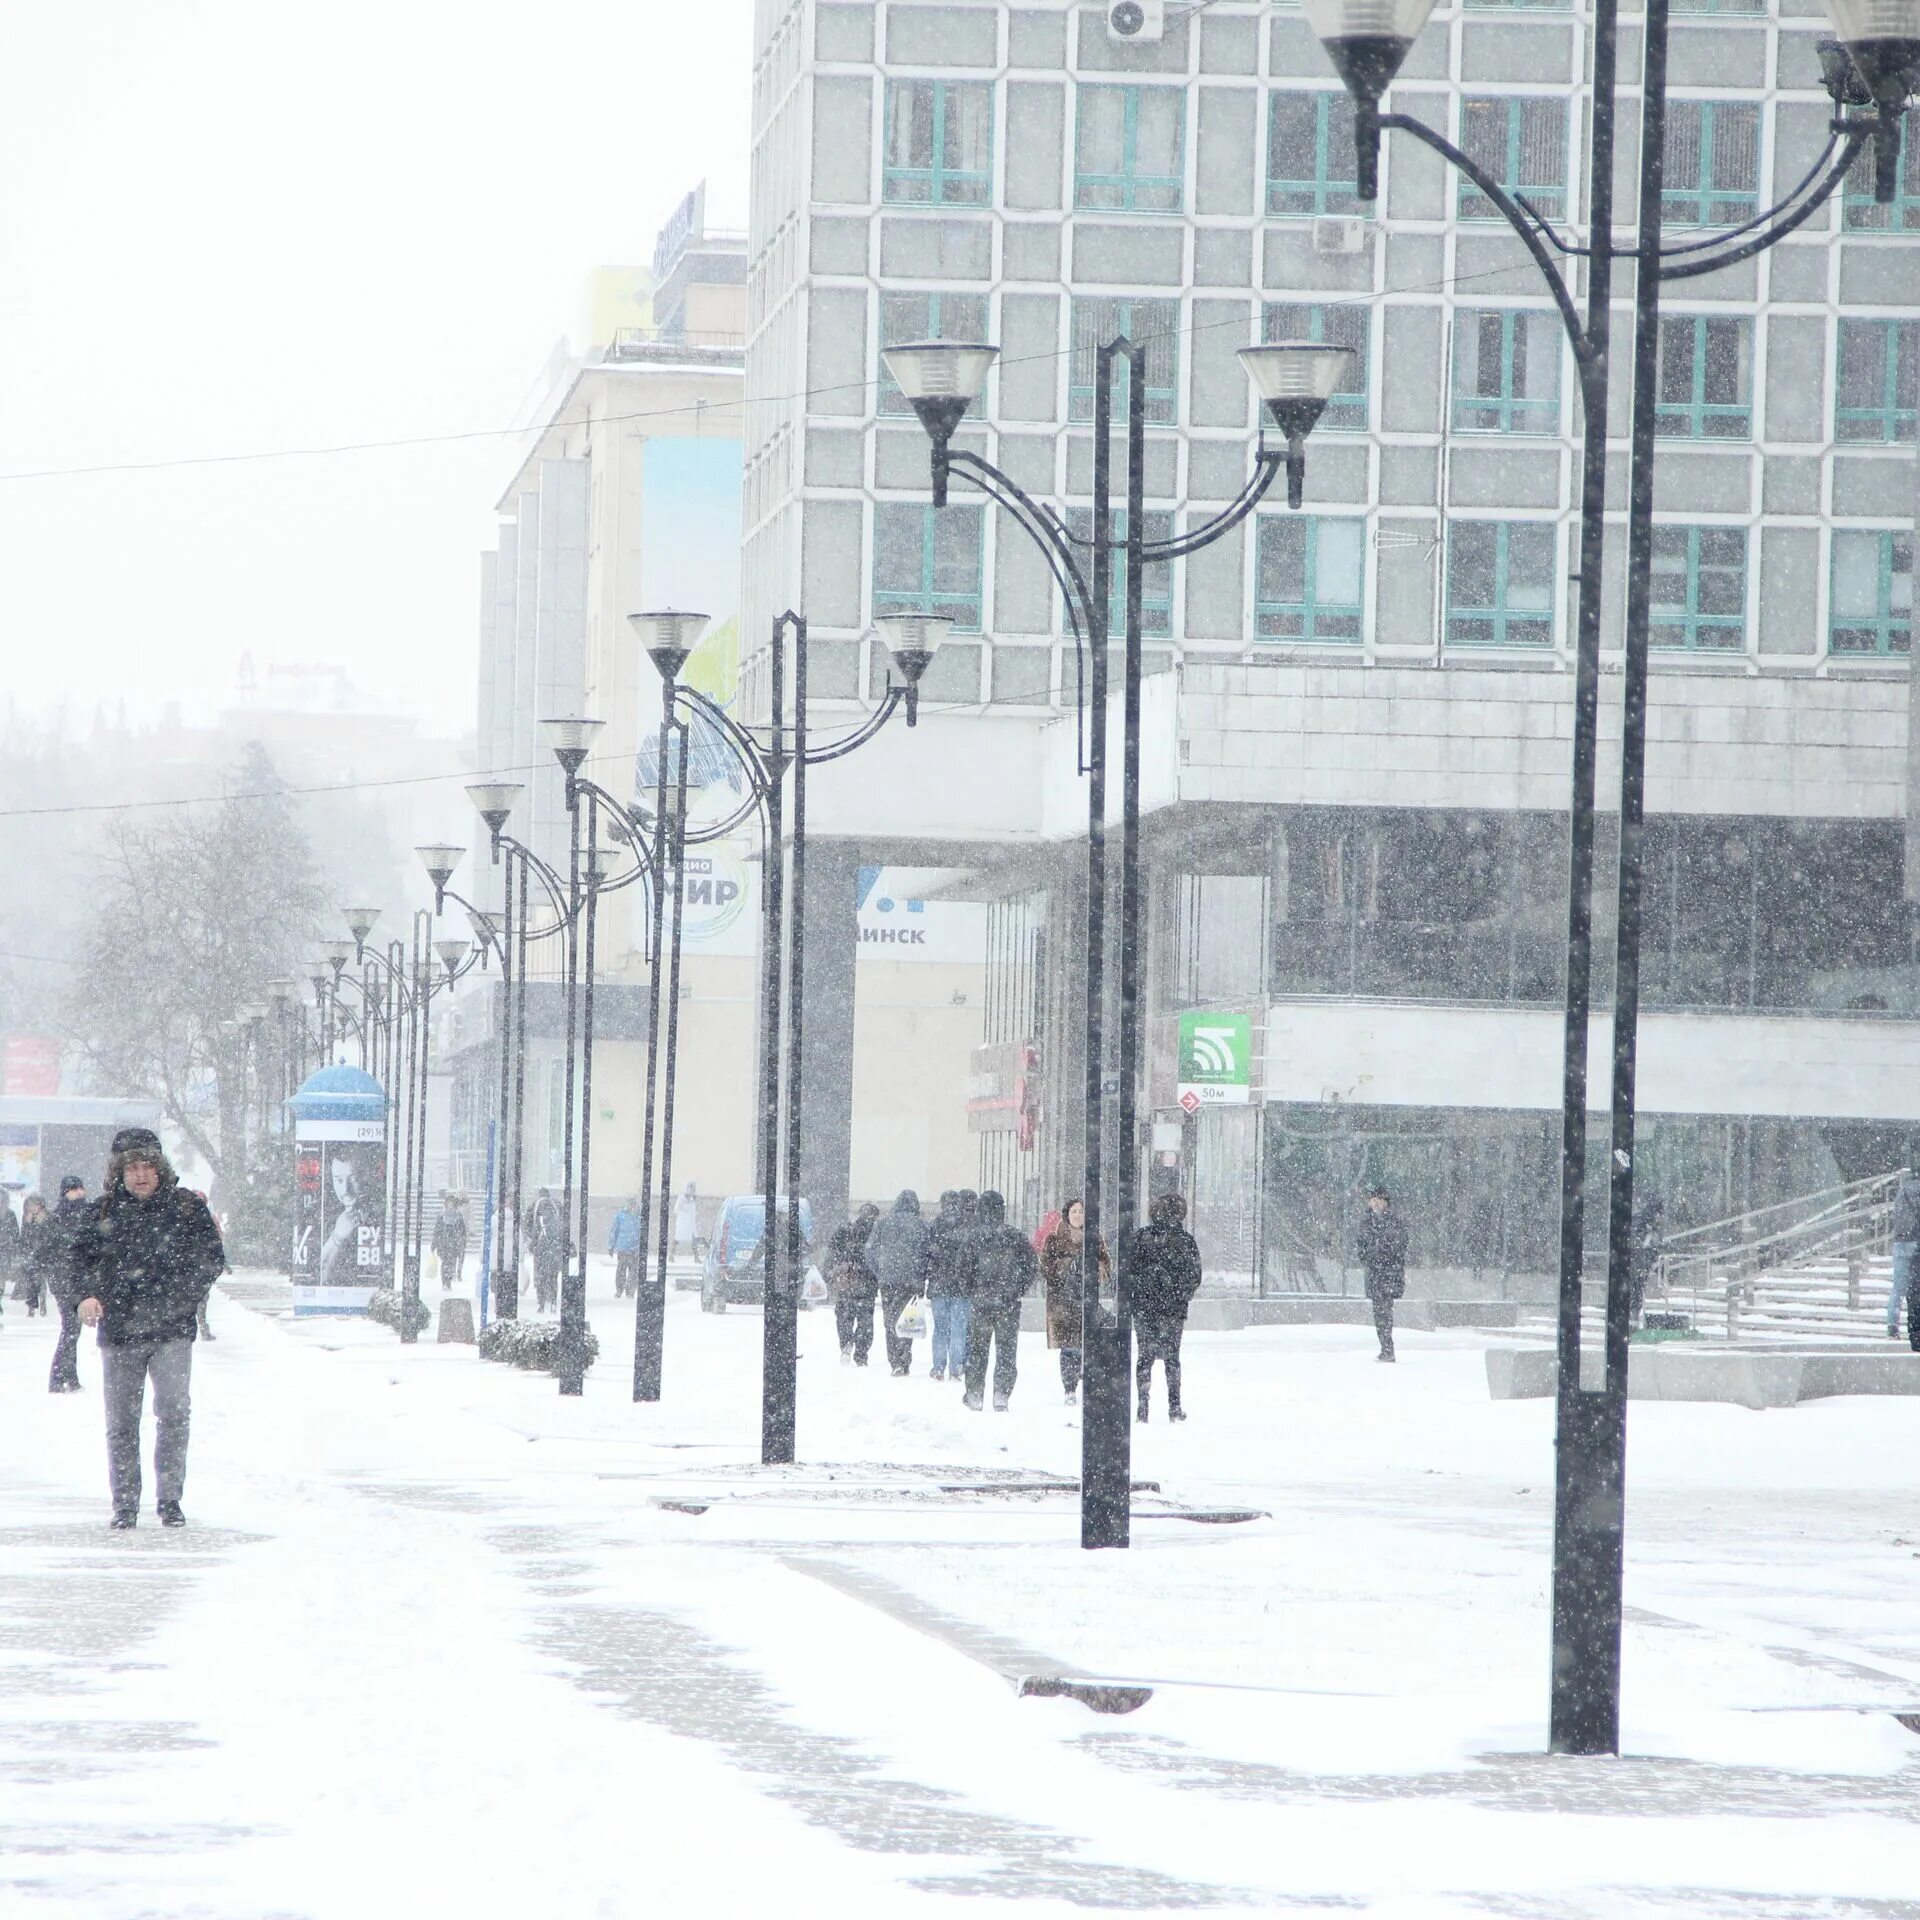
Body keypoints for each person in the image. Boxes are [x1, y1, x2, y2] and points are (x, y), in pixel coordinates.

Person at [72, 1128, 226, 1529]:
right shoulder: (101, 1214)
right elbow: (79, 1262)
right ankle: (124, 1503)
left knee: (174, 1414)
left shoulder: (186, 1209)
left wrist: (181, 1298)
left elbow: (210, 1258)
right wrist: (85, 1296)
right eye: (132, 1167)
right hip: (119, 1332)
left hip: (171, 1331)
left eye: (147, 1166)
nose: (141, 1175)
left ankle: (170, 1499)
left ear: (161, 1169)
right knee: (121, 1422)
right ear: (118, 1173)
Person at [1130, 1191, 1204, 1422]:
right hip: (1173, 1308)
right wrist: (1180, 1295)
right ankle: (1174, 1405)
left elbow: (1129, 1271)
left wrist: (1140, 1295)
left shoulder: (1141, 1237)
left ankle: (1143, 1405)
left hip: (1144, 1307)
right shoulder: (1185, 1240)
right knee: (1172, 1357)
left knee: (1145, 1356)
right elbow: (1195, 1275)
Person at [962, 1190, 1036, 1412]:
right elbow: (1031, 1265)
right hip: (1008, 1302)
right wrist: (1017, 1289)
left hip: (981, 1301)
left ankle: (975, 1393)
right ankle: (1001, 1393)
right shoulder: (1015, 1236)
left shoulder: (973, 1237)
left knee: (977, 1349)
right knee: (1006, 1349)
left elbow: (963, 1268)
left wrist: (972, 1289)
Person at [1040, 1199, 1108, 1406]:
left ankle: (1088, 1384)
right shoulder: (1054, 1239)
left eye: (1081, 1211)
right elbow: (1045, 1267)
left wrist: (1093, 1269)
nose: (1077, 1215)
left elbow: (1106, 1264)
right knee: (1069, 1348)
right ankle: (1069, 1388)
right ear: (1066, 1214)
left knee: (1088, 1346)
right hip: (1063, 1302)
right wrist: (1066, 1266)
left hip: (1087, 1301)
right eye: (1074, 1211)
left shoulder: (1095, 1238)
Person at [866, 1189, 929, 1377]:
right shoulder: (921, 1226)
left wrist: (880, 1271)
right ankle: (904, 1356)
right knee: (908, 1318)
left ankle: (894, 1360)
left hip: (888, 1280)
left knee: (890, 1319)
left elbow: (870, 1251)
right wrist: (921, 1273)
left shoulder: (883, 1224)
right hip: (912, 1280)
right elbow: (928, 1252)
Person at [40, 1176, 91, 1392]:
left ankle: (70, 1377)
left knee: (73, 1329)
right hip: (64, 1281)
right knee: (71, 1328)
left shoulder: (87, 1213)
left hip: (79, 1281)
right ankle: (57, 1377)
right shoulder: (58, 1218)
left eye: (80, 1188)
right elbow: (47, 1249)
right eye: (73, 1189)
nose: (79, 1192)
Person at [923, 1190, 974, 1384]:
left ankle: (938, 1367)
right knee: (959, 1328)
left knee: (940, 1328)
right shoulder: (967, 1226)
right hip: (960, 1287)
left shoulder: (935, 1225)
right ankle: (955, 1369)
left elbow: (928, 1254)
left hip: (939, 1285)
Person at [1355, 1185, 1410, 1362]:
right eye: (1373, 1200)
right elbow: (1361, 1246)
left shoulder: (1395, 1221)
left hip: (1389, 1273)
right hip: (1375, 1273)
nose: (1376, 1204)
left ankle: (1387, 1347)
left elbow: (1398, 1245)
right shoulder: (1366, 1222)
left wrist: (1380, 1252)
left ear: (1386, 1202)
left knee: (1384, 1310)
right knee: (1379, 1311)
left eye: (1379, 1200)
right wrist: (1369, 1256)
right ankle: (1386, 1346)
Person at [825, 1203, 880, 1365]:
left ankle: (846, 1342)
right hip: (868, 1282)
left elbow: (832, 1252)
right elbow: (879, 1257)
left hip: (847, 1281)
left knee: (844, 1315)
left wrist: (830, 1272)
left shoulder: (846, 1230)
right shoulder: (876, 1233)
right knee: (865, 1319)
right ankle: (861, 1353)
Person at [1890, 1168, 1920, 1340]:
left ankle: (1892, 1325)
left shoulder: (1902, 1193)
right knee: (1916, 1287)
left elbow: (1897, 1217)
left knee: (1898, 1288)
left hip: (1900, 1241)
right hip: (1915, 1240)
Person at [1629, 1190, 1665, 1328]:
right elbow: (1644, 1246)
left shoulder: (1645, 1223)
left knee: (1636, 1294)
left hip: (1639, 1266)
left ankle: (1633, 1322)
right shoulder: (1645, 1224)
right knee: (1636, 1294)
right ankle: (1632, 1323)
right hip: (1638, 1266)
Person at [526, 1188, 564, 1313]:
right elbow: (564, 1224)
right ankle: (553, 1301)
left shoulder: (534, 1206)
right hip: (555, 1247)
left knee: (540, 1276)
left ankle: (541, 1302)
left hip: (540, 1248)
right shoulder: (557, 1205)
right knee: (553, 1276)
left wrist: (533, 1238)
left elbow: (527, 1224)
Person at [14, 1193, 50, 1315]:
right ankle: (31, 1306)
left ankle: (43, 1301)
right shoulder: (26, 1217)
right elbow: (23, 1236)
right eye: (30, 1205)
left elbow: (49, 1236)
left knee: (41, 1279)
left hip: (43, 1253)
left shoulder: (47, 1217)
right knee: (30, 1280)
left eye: (35, 1204)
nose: (32, 1207)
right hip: (29, 1253)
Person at [431, 1192, 468, 1291]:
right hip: (443, 1243)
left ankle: (449, 1281)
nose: (450, 1204)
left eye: (452, 1202)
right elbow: (437, 1230)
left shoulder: (458, 1216)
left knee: (451, 1263)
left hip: (454, 1243)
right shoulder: (441, 1216)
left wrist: (463, 1242)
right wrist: (434, 1243)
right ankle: (444, 1282)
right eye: (448, 1202)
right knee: (445, 1263)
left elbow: (462, 1231)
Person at [609, 1195, 643, 1297]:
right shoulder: (620, 1216)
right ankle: (620, 1290)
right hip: (623, 1249)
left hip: (635, 1249)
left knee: (633, 1271)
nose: (631, 1207)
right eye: (629, 1204)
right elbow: (614, 1231)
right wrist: (611, 1246)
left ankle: (630, 1292)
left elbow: (642, 1232)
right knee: (621, 1270)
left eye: (632, 1204)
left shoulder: (639, 1216)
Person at [672, 1181, 700, 1258]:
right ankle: (671, 1254)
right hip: (682, 1223)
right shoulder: (681, 1198)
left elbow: (693, 1210)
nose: (692, 1190)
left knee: (693, 1239)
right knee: (677, 1238)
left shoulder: (693, 1199)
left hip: (690, 1223)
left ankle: (696, 1257)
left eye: (693, 1188)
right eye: (690, 1188)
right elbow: (676, 1209)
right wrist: (685, 1213)